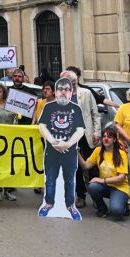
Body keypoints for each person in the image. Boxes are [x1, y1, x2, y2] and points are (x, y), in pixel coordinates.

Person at [38, 78, 86, 220]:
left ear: (71, 92)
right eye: (60, 89)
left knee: (70, 180)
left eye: (67, 89)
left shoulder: (76, 108)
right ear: (56, 92)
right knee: (50, 179)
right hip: (51, 152)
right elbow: (42, 126)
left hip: (69, 153)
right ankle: (48, 204)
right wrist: (52, 141)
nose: (63, 92)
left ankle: (70, 205)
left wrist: (68, 144)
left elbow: (80, 129)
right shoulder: (48, 107)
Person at [59, 70, 101, 209]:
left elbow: (95, 114)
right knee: (74, 167)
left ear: (73, 81)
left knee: (92, 166)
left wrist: (97, 132)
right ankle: (80, 195)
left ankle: (96, 196)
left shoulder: (86, 93)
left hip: (86, 134)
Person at [77, 124, 130, 220]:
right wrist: (76, 152)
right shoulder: (98, 151)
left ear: (114, 140)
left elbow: (121, 177)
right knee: (92, 186)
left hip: (120, 188)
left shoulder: (121, 153)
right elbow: (85, 166)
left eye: (109, 137)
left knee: (116, 212)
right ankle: (102, 209)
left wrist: (102, 180)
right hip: (107, 187)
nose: (106, 139)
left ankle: (124, 207)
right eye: (104, 136)